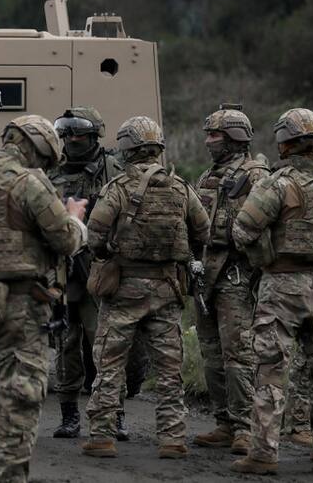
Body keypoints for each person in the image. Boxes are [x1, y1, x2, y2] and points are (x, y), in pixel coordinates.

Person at [0, 115, 88, 483]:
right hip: (21, 306)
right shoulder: (29, 183)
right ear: (37, 148)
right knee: (19, 403)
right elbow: (66, 241)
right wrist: (75, 217)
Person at [229, 108, 313, 476]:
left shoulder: (278, 183)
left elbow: (242, 231)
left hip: (282, 287)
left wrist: (264, 256)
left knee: (271, 368)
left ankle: (263, 453)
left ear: (284, 143)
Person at [82, 116, 210, 460]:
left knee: (109, 364)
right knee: (169, 369)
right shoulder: (181, 188)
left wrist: (107, 251)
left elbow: (94, 234)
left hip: (122, 288)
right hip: (167, 289)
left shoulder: (118, 188)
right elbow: (203, 230)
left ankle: (101, 436)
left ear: (126, 149)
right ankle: (172, 439)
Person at [48, 107, 134, 441]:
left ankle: (115, 414)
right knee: (66, 344)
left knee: (107, 345)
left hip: (100, 269)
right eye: (66, 134)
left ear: (94, 136)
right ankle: (69, 415)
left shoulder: (112, 169)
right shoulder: (51, 170)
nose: (71, 140)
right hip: (64, 271)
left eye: (78, 134)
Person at [191, 105, 270, 456]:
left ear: (235, 137)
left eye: (215, 135)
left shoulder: (256, 175)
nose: (209, 141)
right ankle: (224, 422)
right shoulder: (208, 175)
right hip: (206, 274)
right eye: (209, 134)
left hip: (237, 274)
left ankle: (244, 426)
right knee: (211, 354)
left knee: (239, 354)